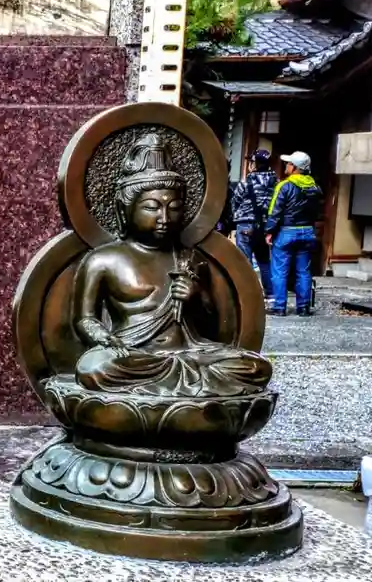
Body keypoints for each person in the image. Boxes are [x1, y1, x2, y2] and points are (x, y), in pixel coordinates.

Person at [70, 132, 272, 398]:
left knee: (255, 367)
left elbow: (214, 327)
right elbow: (84, 318)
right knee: (93, 368)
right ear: (125, 210)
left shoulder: (189, 258)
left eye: (174, 207)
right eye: (151, 207)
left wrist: (197, 296)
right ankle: (185, 391)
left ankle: (165, 391)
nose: (164, 217)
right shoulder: (103, 260)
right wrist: (103, 338)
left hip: (189, 352)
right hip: (133, 354)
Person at [265, 151, 323, 316]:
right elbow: (317, 212)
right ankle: (303, 308)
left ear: (295, 168)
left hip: (287, 232)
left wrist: (269, 231)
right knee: (303, 271)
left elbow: (274, 211)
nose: (286, 165)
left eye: (289, 163)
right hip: (307, 232)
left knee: (279, 271)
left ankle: (279, 307)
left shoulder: (284, 186)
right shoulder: (315, 188)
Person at [228, 149, 276, 283]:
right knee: (264, 262)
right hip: (264, 225)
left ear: (255, 164)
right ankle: (269, 291)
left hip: (245, 224)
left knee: (244, 262)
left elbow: (235, 201)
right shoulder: (275, 183)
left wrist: (234, 217)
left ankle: (248, 290)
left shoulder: (246, 182)